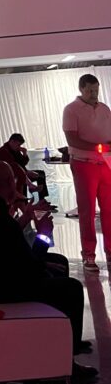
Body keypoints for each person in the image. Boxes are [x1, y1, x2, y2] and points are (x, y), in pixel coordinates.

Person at [0, 161, 96, 384]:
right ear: (10, 183)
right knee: (72, 288)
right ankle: (66, 362)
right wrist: (43, 235)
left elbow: (9, 250)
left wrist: (41, 261)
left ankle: (69, 338)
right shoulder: (0, 218)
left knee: (59, 263)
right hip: (5, 288)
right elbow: (28, 269)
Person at [62, 74, 111, 272]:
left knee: (109, 209)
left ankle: (110, 250)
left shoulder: (104, 109)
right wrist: (98, 147)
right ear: (81, 89)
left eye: (96, 90)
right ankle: (89, 255)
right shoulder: (71, 110)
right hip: (84, 164)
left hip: (105, 163)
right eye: (90, 90)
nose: (94, 94)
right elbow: (72, 140)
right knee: (87, 210)